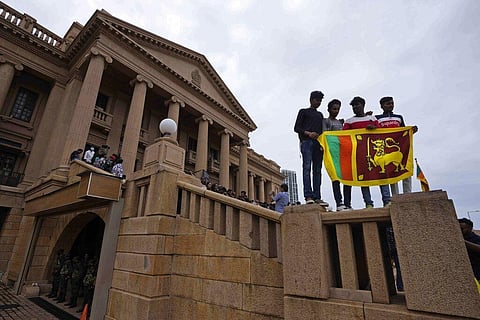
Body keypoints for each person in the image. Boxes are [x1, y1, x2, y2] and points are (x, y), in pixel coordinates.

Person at [343, 96, 391, 208]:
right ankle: (368, 203)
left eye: (357, 105)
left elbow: (381, 132)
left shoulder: (373, 119)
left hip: (375, 152)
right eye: (353, 106)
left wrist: (373, 128)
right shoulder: (349, 121)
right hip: (359, 153)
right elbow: (344, 136)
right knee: (364, 178)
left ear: (363, 105)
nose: (355, 107)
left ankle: (387, 200)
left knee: (381, 173)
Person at [375, 96, 418, 196]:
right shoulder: (378, 118)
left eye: (392, 103)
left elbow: (403, 131)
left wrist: (411, 131)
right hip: (387, 149)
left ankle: (407, 194)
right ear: (382, 106)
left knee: (405, 168)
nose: (390, 105)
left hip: (400, 147)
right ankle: (396, 196)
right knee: (392, 170)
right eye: (388, 103)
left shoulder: (399, 117)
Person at [294, 91, 328, 205]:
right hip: (307, 142)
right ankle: (308, 195)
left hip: (318, 143)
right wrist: (308, 133)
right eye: (317, 100)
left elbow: (322, 131)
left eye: (320, 101)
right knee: (307, 168)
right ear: (311, 99)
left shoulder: (320, 115)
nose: (318, 103)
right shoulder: (303, 112)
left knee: (318, 170)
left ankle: (317, 196)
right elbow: (296, 128)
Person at [323, 99, 350, 211]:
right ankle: (339, 202)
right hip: (332, 154)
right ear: (328, 109)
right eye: (334, 109)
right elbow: (326, 135)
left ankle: (348, 203)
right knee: (335, 179)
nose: (336, 111)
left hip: (342, 153)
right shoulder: (326, 121)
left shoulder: (340, 122)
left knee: (347, 178)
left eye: (338, 109)